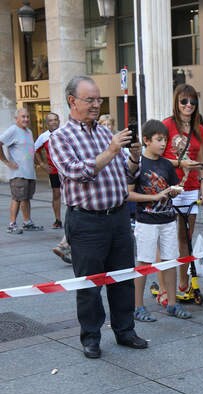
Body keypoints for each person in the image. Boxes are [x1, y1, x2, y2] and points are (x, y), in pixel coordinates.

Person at [49, 75, 147, 358]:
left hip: (117, 217)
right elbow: (78, 173)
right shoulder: (61, 138)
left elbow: (125, 177)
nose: (96, 105)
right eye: (89, 100)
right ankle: (91, 338)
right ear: (72, 101)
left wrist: (134, 159)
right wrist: (113, 150)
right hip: (87, 221)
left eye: (98, 99)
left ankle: (125, 330)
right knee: (89, 284)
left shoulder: (106, 134)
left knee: (122, 278)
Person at [128, 120, 192, 322]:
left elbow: (172, 188)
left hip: (167, 219)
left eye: (165, 139)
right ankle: (138, 306)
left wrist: (175, 190)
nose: (163, 143)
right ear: (147, 140)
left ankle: (172, 303)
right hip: (146, 221)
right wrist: (154, 197)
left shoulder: (166, 164)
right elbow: (128, 195)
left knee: (170, 260)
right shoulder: (138, 164)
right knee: (144, 262)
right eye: (159, 139)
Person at [163, 84, 203, 297]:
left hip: (190, 189)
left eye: (192, 101)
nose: (188, 105)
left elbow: (200, 160)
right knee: (165, 237)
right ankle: (164, 285)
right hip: (168, 188)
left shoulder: (199, 128)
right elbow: (157, 157)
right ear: (176, 102)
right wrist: (179, 164)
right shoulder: (166, 125)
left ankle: (182, 281)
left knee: (186, 237)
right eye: (184, 101)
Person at [0, 108, 45, 234]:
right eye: (23, 117)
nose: (26, 119)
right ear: (17, 119)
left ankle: (27, 222)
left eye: (27, 117)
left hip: (29, 172)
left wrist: (35, 163)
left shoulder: (29, 131)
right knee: (17, 198)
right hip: (18, 173)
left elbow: (30, 150)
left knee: (26, 198)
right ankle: (11, 225)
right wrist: (6, 162)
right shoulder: (13, 130)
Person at [34, 112, 63, 229]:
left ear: (59, 121)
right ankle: (58, 220)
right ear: (46, 124)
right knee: (56, 194)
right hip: (54, 171)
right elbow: (34, 150)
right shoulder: (43, 137)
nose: (54, 122)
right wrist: (42, 164)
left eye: (56, 119)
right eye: (51, 120)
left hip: (68, 169)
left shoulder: (65, 133)